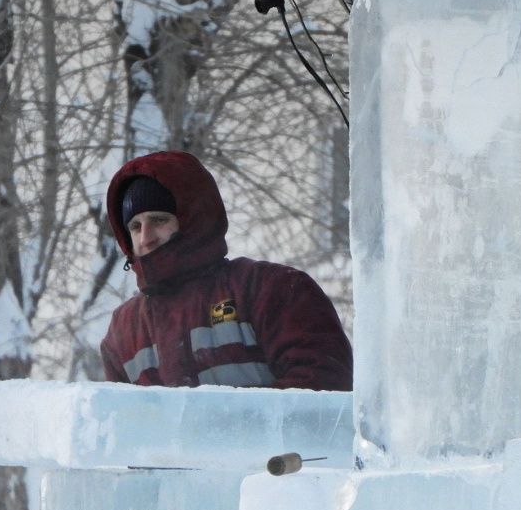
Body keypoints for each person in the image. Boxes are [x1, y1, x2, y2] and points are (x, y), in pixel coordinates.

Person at [99, 150, 353, 390]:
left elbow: (322, 389)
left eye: (159, 220)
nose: (145, 238)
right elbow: (119, 418)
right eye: (135, 226)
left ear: (194, 218)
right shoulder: (124, 329)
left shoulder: (270, 289)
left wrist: (222, 422)